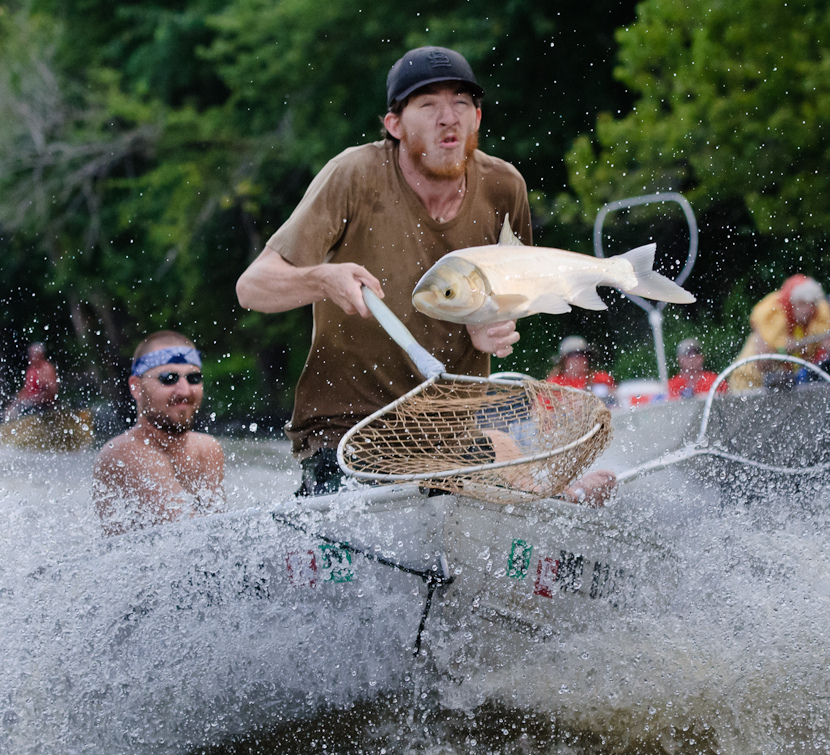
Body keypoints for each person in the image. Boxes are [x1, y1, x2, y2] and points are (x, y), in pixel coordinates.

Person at [235, 46, 614, 505]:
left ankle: (563, 497)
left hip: (448, 430)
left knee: (554, 499)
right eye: (428, 104)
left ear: (476, 117)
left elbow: (518, 290)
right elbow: (251, 288)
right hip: (347, 431)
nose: (447, 117)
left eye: (460, 102)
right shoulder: (352, 175)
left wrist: (489, 321)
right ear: (395, 124)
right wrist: (321, 279)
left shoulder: (504, 185)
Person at [93, 331, 224, 536]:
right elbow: (190, 537)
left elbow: (218, 536)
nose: (185, 390)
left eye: (193, 378)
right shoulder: (123, 453)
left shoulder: (207, 448)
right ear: (136, 387)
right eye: (168, 378)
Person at [728, 274, 830, 391]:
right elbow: (762, 363)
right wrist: (784, 349)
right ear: (791, 303)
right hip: (748, 383)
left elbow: (824, 355)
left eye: (811, 304)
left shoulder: (817, 319)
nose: (807, 310)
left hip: (781, 387)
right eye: (802, 304)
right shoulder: (772, 315)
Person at [546, 336, 616, 404]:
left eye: (583, 354)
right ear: (564, 360)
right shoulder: (553, 385)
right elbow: (543, 411)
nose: (579, 358)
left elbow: (618, 399)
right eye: (574, 354)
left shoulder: (601, 378)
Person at [4, 342, 60, 421]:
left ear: (41, 355)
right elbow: (26, 389)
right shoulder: (31, 370)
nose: (31, 357)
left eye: (33, 354)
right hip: (30, 402)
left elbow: (53, 390)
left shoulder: (47, 369)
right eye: (30, 355)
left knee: (22, 410)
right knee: (10, 411)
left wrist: (43, 386)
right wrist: (15, 401)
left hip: (42, 404)